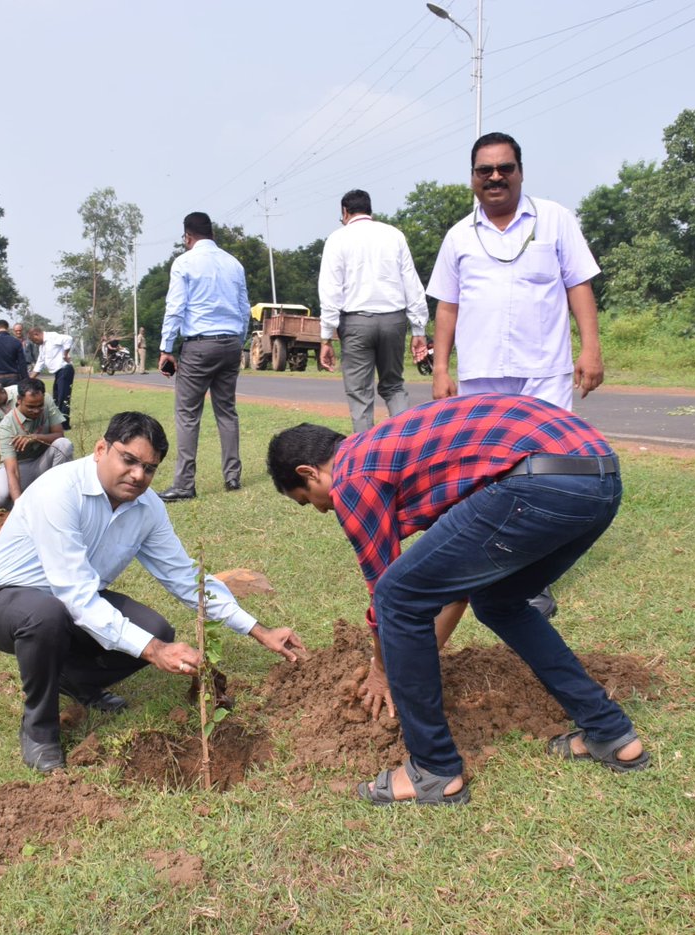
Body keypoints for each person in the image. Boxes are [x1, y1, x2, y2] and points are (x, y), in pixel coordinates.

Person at [265, 394, 651, 806]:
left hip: (541, 482)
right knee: (499, 600)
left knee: (396, 596)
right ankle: (610, 733)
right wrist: (416, 656)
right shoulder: (399, 450)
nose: (321, 510)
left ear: (309, 471)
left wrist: (384, 670)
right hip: (599, 478)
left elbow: (389, 596)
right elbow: (456, 586)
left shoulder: (352, 476)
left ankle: (433, 769)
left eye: (308, 500)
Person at [0, 411, 307, 771]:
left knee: (156, 629)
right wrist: (155, 651)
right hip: (5, 601)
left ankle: (75, 682)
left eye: (149, 468)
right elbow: (74, 596)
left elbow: (184, 577)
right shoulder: (59, 491)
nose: (137, 475)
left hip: (72, 602)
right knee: (49, 616)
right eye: (129, 460)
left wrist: (259, 630)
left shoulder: (147, 508)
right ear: (101, 449)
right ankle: (40, 729)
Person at [427, 131, 604, 619]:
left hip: (545, 372)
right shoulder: (459, 235)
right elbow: (447, 305)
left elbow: (579, 286)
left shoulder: (555, 221)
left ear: (520, 171)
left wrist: (590, 348)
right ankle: (491, 567)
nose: (495, 177)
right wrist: (442, 370)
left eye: (504, 168)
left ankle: (535, 580)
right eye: (485, 171)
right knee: (490, 477)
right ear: (473, 179)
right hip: (482, 377)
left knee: (550, 477)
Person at [318, 189, 429, 434]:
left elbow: (330, 291)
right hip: (393, 321)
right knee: (394, 386)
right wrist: (419, 328)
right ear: (370, 211)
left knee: (360, 394)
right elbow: (411, 282)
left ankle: (365, 456)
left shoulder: (337, 239)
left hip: (356, 323)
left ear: (345, 213)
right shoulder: (394, 235)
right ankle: (404, 446)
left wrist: (326, 337)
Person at [158, 212, 251, 501]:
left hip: (199, 345)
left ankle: (185, 484)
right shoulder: (233, 263)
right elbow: (244, 307)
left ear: (187, 236)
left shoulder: (184, 262)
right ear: (212, 234)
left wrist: (166, 348)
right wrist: (239, 339)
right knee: (226, 410)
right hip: (230, 343)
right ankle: (232, 476)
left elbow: (175, 307)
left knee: (187, 414)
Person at [0, 378, 74, 510]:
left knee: (64, 444)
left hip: (44, 462)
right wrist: (19, 507)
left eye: (39, 406)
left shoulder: (47, 402)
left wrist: (36, 437)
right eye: (30, 407)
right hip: (21, 466)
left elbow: (59, 435)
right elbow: (12, 470)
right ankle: (28, 504)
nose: (36, 410)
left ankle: (57, 495)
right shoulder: (5, 427)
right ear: (19, 400)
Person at [30, 327, 74, 430]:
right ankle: (58, 422)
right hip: (58, 373)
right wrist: (30, 379)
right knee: (56, 397)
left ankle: (64, 425)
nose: (35, 343)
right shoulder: (42, 347)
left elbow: (69, 339)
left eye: (34, 340)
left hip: (65, 369)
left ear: (37, 334)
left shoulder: (52, 336)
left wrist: (65, 354)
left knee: (63, 397)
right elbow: (39, 363)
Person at [0, 319, 29, 386]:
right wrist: (26, 379)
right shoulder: (16, 342)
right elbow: (22, 363)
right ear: (7, 328)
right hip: (13, 377)